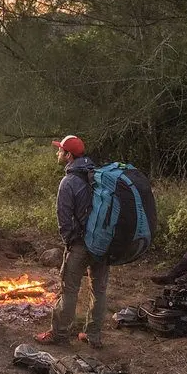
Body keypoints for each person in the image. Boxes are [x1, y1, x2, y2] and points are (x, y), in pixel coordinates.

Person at [35, 135, 107, 348]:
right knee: (100, 289)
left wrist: (69, 244)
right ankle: (93, 336)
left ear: (69, 155)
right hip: (103, 242)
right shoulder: (98, 176)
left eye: (60, 150)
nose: (58, 153)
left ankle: (59, 334)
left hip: (80, 244)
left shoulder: (68, 182)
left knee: (69, 290)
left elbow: (64, 220)